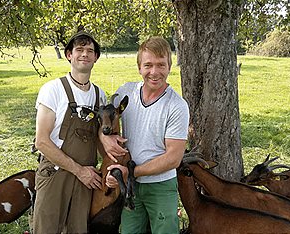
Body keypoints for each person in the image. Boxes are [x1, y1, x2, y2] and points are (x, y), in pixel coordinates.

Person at [100, 36, 189, 234]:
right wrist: (105, 138)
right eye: (148, 65)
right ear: (139, 67)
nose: (154, 72)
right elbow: (105, 118)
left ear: (169, 66)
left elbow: (173, 158)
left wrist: (130, 173)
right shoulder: (126, 93)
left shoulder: (177, 106)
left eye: (161, 65)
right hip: (130, 186)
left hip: (160, 185)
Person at [33, 30, 107, 234]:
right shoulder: (53, 89)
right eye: (79, 50)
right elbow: (41, 142)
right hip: (55, 173)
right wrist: (79, 170)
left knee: (79, 229)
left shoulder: (100, 96)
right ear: (69, 55)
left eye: (90, 51)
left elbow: (101, 141)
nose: (85, 54)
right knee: (46, 229)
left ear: (96, 57)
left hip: (87, 178)